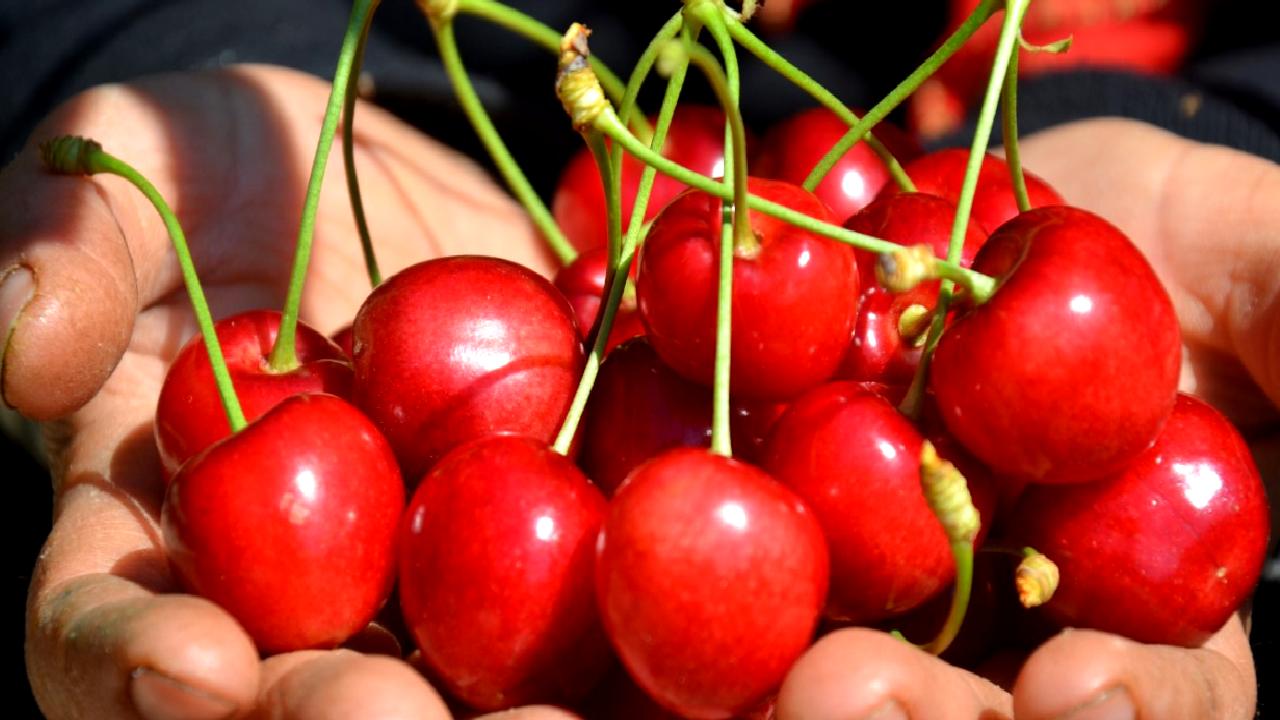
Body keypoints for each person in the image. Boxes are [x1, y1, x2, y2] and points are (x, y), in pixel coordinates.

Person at [3, 2, 1276, 719]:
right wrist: (162, 49)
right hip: (458, 144)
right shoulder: (617, 356)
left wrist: (1238, 122)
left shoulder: (923, 312)